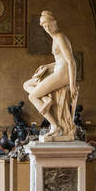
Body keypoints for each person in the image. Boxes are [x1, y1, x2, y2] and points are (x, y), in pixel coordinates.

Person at [22, 10, 78, 140]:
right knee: (27, 84)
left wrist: (72, 84)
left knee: (33, 96)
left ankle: (55, 126)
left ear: (54, 22)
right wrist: (46, 66)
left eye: (48, 24)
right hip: (57, 70)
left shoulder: (59, 37)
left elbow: (71, 61)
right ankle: (46, 98)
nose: (46, 28)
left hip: (62, 75)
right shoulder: (55, 38)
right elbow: (60, 60)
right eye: (44, 26)